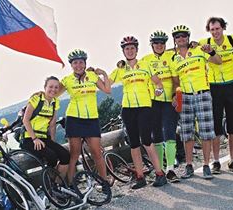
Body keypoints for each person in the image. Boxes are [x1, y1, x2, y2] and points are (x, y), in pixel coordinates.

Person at [109, 36, 167, 189]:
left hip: (144, 107)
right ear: (123, 51)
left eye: (132, 48)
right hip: (128, 109)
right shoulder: (120, 69)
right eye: (127, 48)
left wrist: (158, 92)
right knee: (134, 144)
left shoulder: (146, 65)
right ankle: (140, 177)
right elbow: (107, 85)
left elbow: (158, 83)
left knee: (147, 141)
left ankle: (160, 174)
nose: (130, 51)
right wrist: (98, 73)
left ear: (136, 49)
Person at [170, 25, 222, 179]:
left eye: (184, 36)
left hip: (203, 94)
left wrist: (211, 51)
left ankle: (206, 165)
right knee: (187, 134)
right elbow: (175, 81)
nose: (181, 39)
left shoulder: (199, 50)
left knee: (206, 132)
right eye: (178, 36)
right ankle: (189, 165)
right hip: (185, 97)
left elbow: (218, 61)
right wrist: (175, 95)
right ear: (175, 39)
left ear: (188, 37)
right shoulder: (174, 59)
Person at [198, 17, 233, 174]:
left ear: (223, 28)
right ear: (208, 30)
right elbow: (213, 60)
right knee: (216, 127)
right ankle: (216, 161)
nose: (215, 32)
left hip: (232, 86)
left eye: (217, 29)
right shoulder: (204, 43)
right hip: (214, 87)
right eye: (212, 29)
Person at [58, 49, 112, 184]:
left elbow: (107, 90)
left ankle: (104, 182)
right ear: (71, 65)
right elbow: (52, 93)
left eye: (81, 62)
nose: (78, 65)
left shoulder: (92, 76)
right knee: (74, 155)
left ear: (85, 63)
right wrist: (40, 95)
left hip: (91, 119)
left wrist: (104, 74)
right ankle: (70, 185)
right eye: (75, 63)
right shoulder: (67, 80)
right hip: (74, 119)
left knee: (97, 153)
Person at [140, 30, 180, 182]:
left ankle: (170, 169)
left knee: (170, 133)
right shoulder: (145, 60)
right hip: (153, 101)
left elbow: (176, 80)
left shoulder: (171, 56)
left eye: (162, 42)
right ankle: (161, 168)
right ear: (151, 45)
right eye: (156, 43)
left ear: (165, 44)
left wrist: (175, 95)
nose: (159, 45)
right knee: (156, 135)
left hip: (169, 100)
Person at [21, 76, 69, 179]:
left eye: (56, 87)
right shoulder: (36, 99)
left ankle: (58, 185)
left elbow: (52, 124)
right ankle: (49, 185)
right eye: (50, 87)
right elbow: (25, 120)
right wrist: (34, 138)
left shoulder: (55, 102)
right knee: (51, 157)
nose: (53, 90)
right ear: (45, 87)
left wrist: (52, 142)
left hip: (44, 137)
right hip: (29, 138)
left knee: (65, 155)